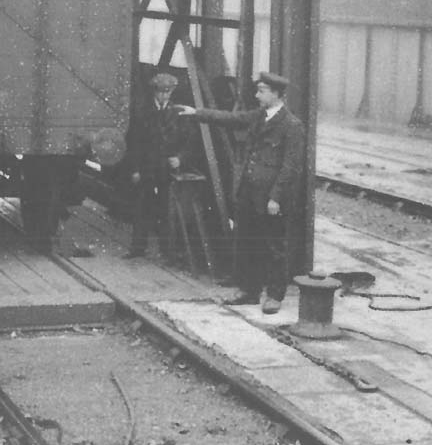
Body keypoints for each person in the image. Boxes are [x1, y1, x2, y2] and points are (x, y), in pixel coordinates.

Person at [176, 72, 305, 314]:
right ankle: (250, 291)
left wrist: (276, 197)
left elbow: (291, 167)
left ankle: (275, 296)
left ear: (277, 94)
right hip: (249, 192)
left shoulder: (292, 126)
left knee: (274, 246)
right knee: (248, 242)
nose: (257, 95)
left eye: (262, 90)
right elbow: (231, 118)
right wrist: (197, 113)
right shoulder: (259, 116)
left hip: (270, 198)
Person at [123, 71, 186, 259]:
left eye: (167, 92)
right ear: (154, 92)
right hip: (146, 168)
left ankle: (167, 250)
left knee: (166, 210)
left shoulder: (178, 113)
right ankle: (137, 249)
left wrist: (180, 158)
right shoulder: (142, 112)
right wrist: (134, 169)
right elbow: (134, 143)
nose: (163, 96)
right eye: (160, 92)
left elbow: (189, 141)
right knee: (142, 208)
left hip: (166, 169)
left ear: (172, 93)